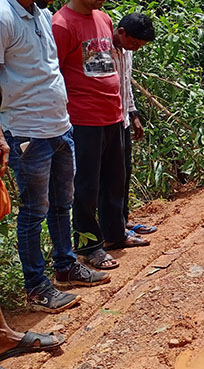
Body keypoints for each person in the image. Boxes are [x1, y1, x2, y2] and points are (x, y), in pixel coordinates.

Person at [1, 0, 110, 313]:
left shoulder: (43, 14)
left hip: (60, 127)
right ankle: (36, 287)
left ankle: (65, 265)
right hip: (26, 131)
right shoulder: (4, 16)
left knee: (62, 205)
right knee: (34, 212)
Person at [52, 0, 149, 271]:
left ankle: (115, 234)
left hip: (113, 115)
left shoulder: (104, 19)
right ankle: (89, 247)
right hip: (83, 119)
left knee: (115, 180)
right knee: (86, 186)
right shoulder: (61, 25)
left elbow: (106, 66)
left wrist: (126, 111)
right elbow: (53, 74)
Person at [111, 12, 157, 237]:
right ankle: (112, 228)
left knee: (124, 172)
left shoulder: (127, 51)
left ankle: (123, 220)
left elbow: (126, 84)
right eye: (135, 43)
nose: (136, 49)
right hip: (105, 122)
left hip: (123, 120)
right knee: (110, 177)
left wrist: (134, 114)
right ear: (122, 32)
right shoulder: (103, 50)